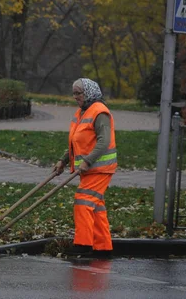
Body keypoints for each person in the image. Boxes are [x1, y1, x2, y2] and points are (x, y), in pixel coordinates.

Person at [53, 78, 117, 258]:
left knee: (83, 202)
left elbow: (104, 142)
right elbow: (77, 142)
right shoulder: (82, 112)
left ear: (89, 92)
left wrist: (87, 161)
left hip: (99, 169)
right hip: (89, 169)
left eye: (78, 93)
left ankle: (83, 244)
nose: (75, 97)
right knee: (96, 207)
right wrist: (63, 161)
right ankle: (103, 247)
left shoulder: (99, 112)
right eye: (73, 93)